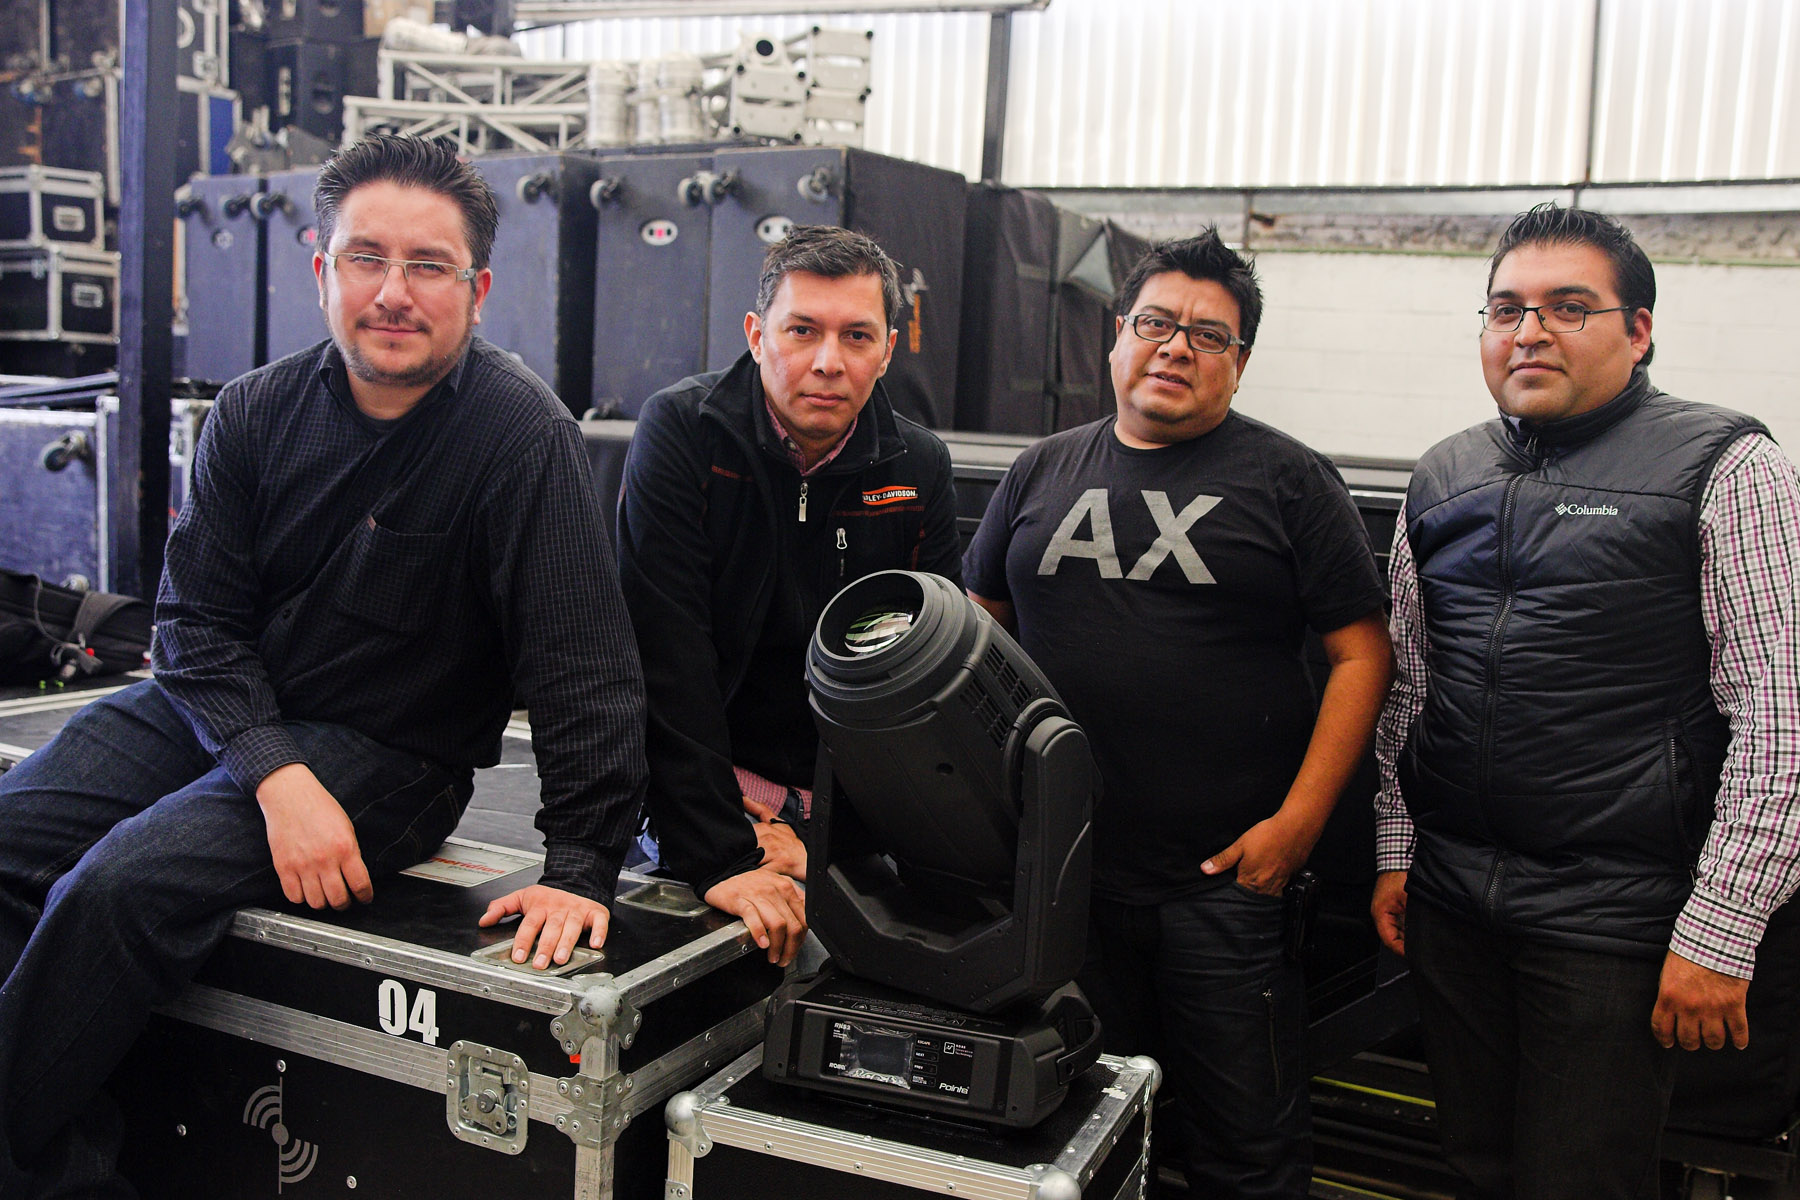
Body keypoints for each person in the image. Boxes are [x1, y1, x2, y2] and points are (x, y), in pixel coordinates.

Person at [0, 134, 648, 1197]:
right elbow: (194, 626)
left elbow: (584, 666)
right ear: (321, 270)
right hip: (226, 713)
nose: (393, 292)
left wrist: (581, 866)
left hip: (391, 756)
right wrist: (275, 774)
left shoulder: (520, 436)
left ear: (477, 290)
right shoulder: (254, 412)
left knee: (117, 889)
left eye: (428, 265)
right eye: (366, 258)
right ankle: (57, 1168)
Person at [1370, 203, 1800, 1200]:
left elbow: (1780, 719)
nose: (1530, 332)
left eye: (1569, 307)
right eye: (1506, 309)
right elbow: (1412, 691)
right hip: (1454, 908)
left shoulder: (1729, 468)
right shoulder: (1443, 475)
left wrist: (1722, 927)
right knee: (1477, 1169)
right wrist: (1398, 850)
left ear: (1639, 330)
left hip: (1617, 925)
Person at [964, 231, 1393, 1199]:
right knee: (1072, 1137)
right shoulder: (1040, 470)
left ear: (1240, 362)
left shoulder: (1291, 480)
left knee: (1246, 1155)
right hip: (1060, 882)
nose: (1176, 347)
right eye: (1156, 323)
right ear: (1117, 335)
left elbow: (1364, 655)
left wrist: (1298, 826)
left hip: (1225, 889)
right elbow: (974, 634)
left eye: (1209, 335)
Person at [616, 225, 961, 968]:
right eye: (802, 330)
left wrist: (830, 840)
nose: (828, 362)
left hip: (848, 817)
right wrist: (722, 850)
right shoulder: (684, 433)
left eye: (856, 336)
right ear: (756, 335)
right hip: (706, 800)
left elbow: (928, 693)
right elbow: (667, 656)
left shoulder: (920, 467)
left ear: (887, 351)